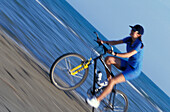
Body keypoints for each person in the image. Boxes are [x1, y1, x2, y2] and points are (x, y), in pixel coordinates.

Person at [86, 24, 145, 108]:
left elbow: (128, 55)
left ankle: (97, 101)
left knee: (113, 81)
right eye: (132, 29)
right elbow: (116, 42)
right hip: (128, 64)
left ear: (138, 35)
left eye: (134, 30)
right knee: (108, 59)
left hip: (134, 70)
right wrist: (103, 42)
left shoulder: (139, 44)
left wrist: (115, 53)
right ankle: (108, 81)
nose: (131, 31)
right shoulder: (129, 39)